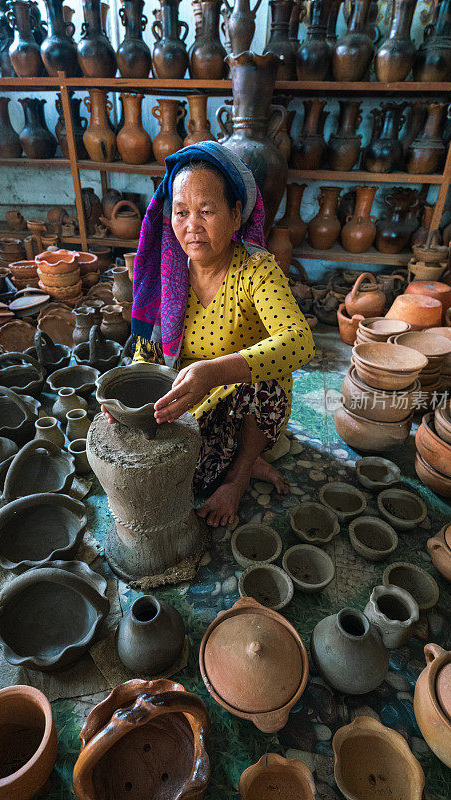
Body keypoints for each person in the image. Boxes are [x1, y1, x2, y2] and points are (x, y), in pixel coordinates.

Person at [110, 141, 315, 528]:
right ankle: (243, 464)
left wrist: (217, 371)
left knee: (265, 380)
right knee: (182, 475)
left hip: (245, 397)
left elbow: (300, 342)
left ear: (236, 215)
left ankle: (238, 477)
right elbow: (147, 352)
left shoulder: (257, 270)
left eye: (206, 211)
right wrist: (128, 395)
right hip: (194, 395)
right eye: (181, 212)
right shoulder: (167, 273)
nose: (192, 226)